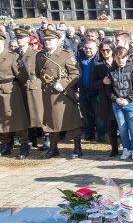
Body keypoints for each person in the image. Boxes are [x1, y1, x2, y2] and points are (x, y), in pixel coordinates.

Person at [36, 30, 83, 159]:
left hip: (63, 94)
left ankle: (77, 147)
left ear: (57, 41)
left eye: (50, 40)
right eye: (45, 40)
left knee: (71, 121)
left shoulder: (65, 54)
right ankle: (53, 148)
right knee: (51, 121)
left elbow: (76, 73)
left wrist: (63, 83)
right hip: (48, 93)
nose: (47, 42)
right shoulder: (40, 55)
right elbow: (38, 73)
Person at [106, 46, 133, 160]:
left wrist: (128, 99)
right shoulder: (111, 70)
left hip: (131, 103)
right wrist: (115, 99)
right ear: (114, 58)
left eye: (122, 58)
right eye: (118, 58)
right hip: (117, 104)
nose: (120, 60)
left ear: (126, 57)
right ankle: (126, 148)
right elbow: (108, 88)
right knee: (122, 127)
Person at [14, 28, 46, 150]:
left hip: (33, 85)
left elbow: (42, 70)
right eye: (18, 38)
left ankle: (48, 139)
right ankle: (31, 138)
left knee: (39, 113)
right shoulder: (14, 53)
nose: (19, 40)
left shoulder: (35, 53)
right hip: (20, 86)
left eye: (22, 38)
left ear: (28, 39)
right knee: (25, 114)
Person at [0, 31, 30, 159]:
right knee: (1, 119)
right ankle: (5, 144)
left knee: (17, 118)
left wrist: (14, 86)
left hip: (11, 90)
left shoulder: (12, 56)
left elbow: (23, 76)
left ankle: (24, 144)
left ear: (3, 42)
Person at [91, 40, 119, 156]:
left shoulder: (119, 61)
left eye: (108, 50)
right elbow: (93, 83)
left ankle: (128, 147)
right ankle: (114, 148)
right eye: (102, 50)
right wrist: (102, 82)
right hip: (106, 98)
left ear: (113, 50)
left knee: (124, 124)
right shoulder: (97, 64)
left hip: (121, 96)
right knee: (111, 124)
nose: (105, 52)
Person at [77, 39, 105, 142]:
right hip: (83, 91)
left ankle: (101, 135)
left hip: (97, 92)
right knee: (86, 114)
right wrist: (76, 90)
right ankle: (89, 134)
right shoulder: (80, 60)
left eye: (90, 48)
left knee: (99, 115)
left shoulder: (100, 60)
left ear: (96, 48)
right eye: (86, 48)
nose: (88, 50)